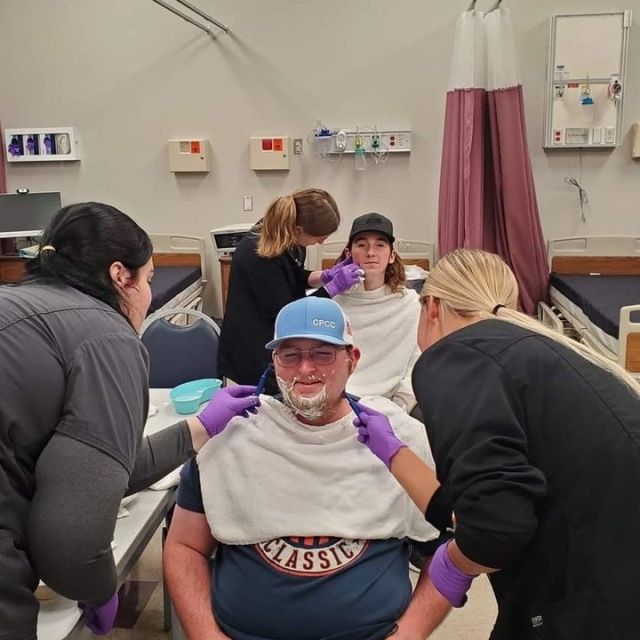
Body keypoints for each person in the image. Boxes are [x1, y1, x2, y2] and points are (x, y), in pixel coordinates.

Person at [0, 202, 259, 640]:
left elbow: (103, 465)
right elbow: (73, 533)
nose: (147, 294)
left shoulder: (17, 306)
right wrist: (98, 587)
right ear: (121, 276)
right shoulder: (105, 335)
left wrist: (202, 427)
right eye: (150, 280)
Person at [354, 248, 640, 640]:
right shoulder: (548, 354)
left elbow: (496, 529)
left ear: (432, 307)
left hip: (592, 603)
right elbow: (474, 505)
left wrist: (451, 566)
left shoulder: (457, 357)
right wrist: (394, 452)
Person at [164, 297, 441, 640]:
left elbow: (447, 555)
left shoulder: (399, 441)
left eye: (322, 354)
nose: (305, 369)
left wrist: (410, 633)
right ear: (274, 362)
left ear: (352, 360)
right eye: (290, 355)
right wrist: (207, 636)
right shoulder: (230, 438)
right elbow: (184, 546)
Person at [218, 188, 363, 395]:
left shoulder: (288, 237)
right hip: (251, 350)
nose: (322, 242)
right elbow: (290, 313)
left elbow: (291, 274)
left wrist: (324, 275)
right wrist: (332, 288)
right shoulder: (258, 254)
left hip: (270, 333)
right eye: (320, 237)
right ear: (298, 229)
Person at [331, 212, 421, 413]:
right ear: (348, 254)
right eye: (362, 245)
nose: (371, 252)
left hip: (393, 404)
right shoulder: (332, 304)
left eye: (380, 245)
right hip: (338, 402)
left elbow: (416, 364)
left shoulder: (410, 304)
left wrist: (399, 408)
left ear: (391, 256)